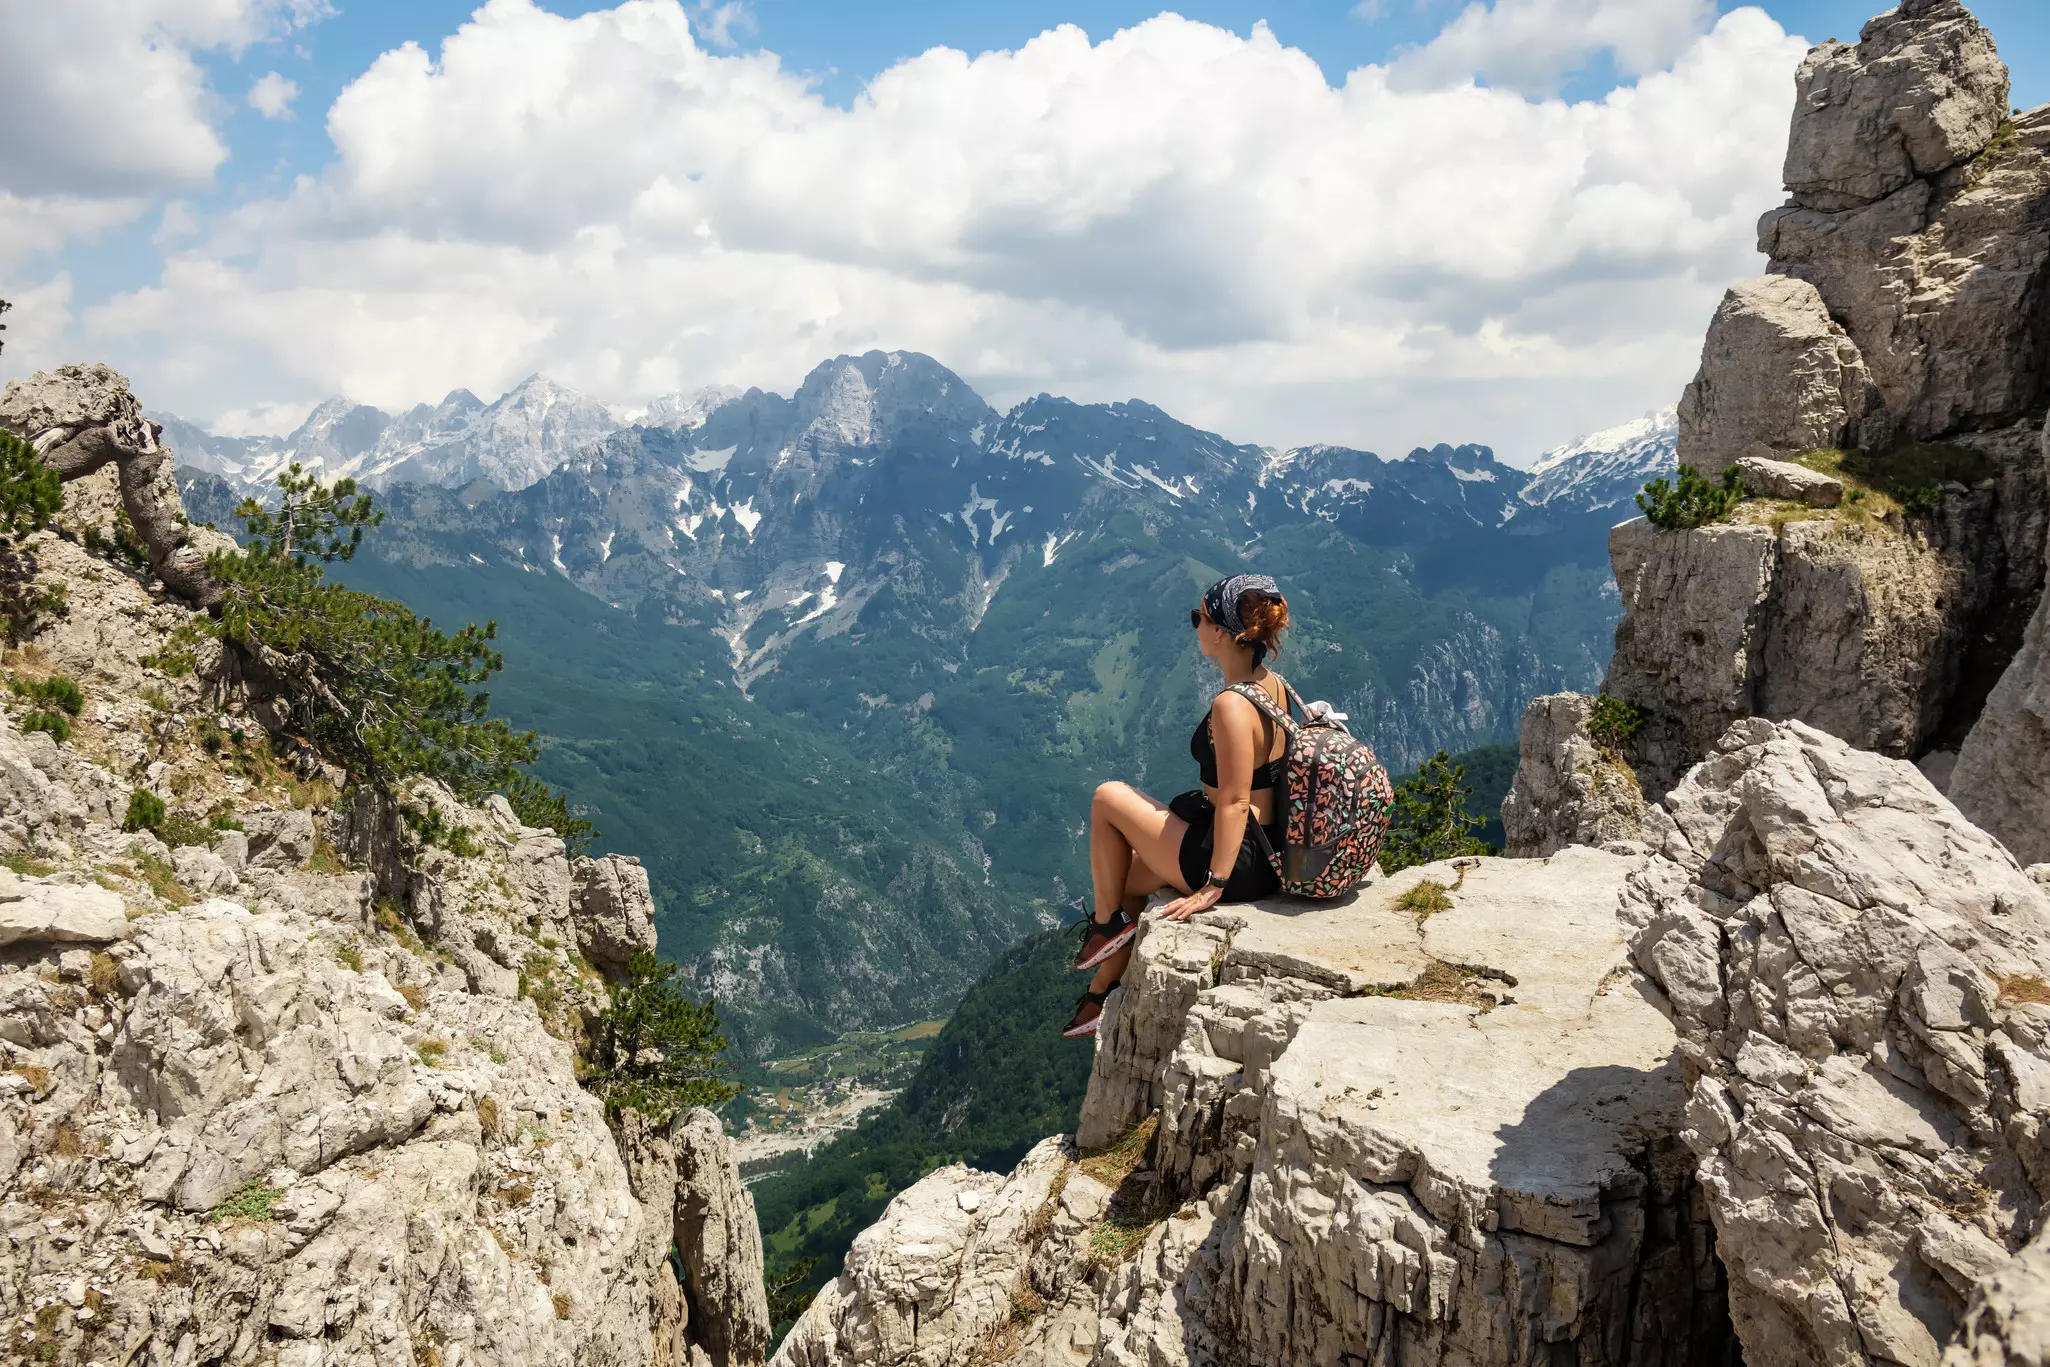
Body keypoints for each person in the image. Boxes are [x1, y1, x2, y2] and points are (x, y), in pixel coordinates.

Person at [1061, 574, 1292, 1038]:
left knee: (1107, 797)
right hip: (1268, 848)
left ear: (1222, 632)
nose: (1195, 627)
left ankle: (1105, 929)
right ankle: (1107, 982)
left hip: (1237, 858)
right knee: (1121, 876)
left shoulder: (1232, 704)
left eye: (1199, 618)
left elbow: (1233, 799)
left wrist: (1214, 886)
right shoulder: (1275, 684)